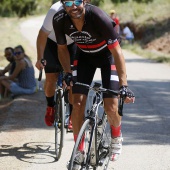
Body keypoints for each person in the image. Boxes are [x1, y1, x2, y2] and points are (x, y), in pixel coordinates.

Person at [52, 0, 135, 166]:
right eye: (68, 2)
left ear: (85, 1)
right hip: (83, 57)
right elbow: (62, 49)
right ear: (63, 4)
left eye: (77, 1)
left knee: (111, 106)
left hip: (107, 57)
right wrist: (68, 73)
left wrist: (123, 85)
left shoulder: (97, 16)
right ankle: (79, 151)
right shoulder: (59, 19)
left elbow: (117, 52)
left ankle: (116, 138)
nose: (73, 6)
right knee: (77, 103)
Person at [35, 1, 76, 128]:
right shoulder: (55, 10)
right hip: (52, 43)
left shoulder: (81, 8)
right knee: (51, 78)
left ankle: (73, 115)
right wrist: (39, 58)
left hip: (72, 44)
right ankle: (50, 106)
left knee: (73, 80)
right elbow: (42, 34)